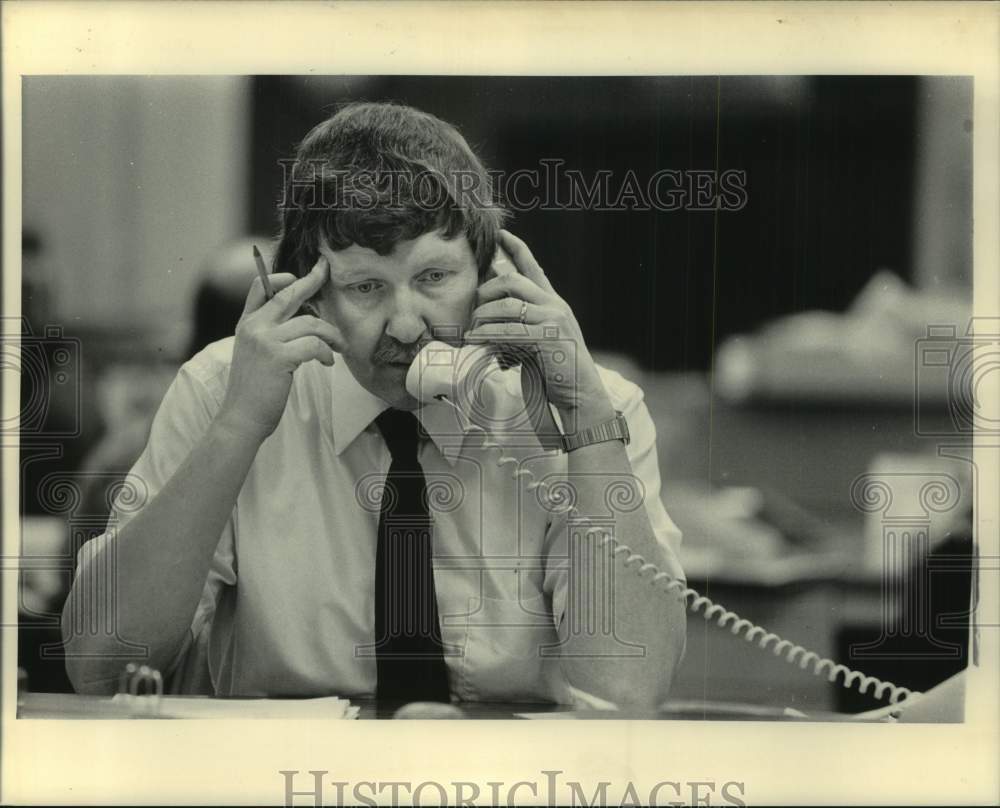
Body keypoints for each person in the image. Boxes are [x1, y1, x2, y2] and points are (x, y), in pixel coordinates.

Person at [62, 102, 687, 708]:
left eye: (435, 278)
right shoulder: (221, 390)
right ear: (308, 295)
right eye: (365, 287)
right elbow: (99, 665)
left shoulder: (594, 406)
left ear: (490, 271)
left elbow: (627, 695)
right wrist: (238, 427)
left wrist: (584, 419)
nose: (407, 326)